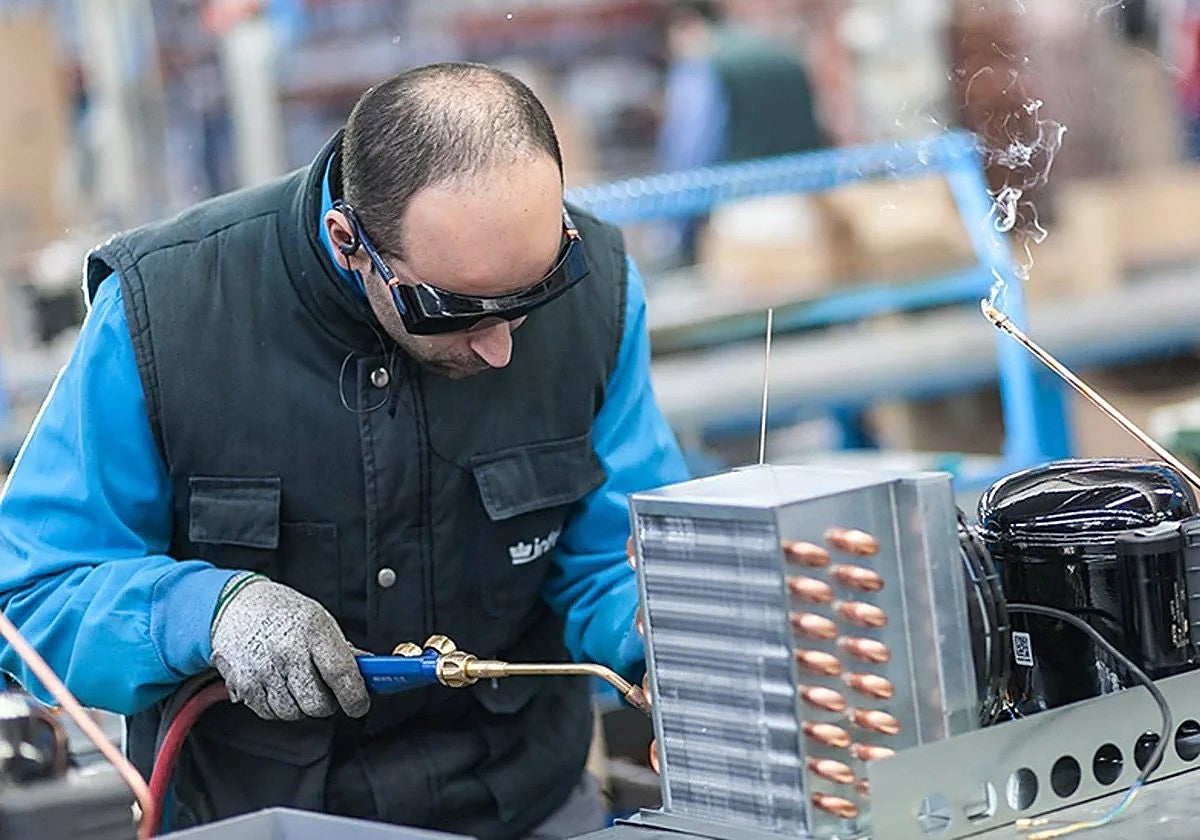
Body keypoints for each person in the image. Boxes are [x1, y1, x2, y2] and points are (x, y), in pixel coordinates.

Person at [0, 63, 688, 838]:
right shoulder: (168, 314)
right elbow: (32, 595)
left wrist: (673, 653)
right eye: (453, 310)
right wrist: (209, 613)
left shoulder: (600, 300)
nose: (499, 349)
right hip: (262, 819)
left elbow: (614, 562)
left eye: (535, 294)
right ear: (348, 240)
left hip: (526, 807)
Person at [656, 0, 826, 263]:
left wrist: (675, 235)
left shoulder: (701, 68)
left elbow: (690, 154)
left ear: (683, 25)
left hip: (740, 223)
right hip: (811, 216)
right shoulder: (784, 54)